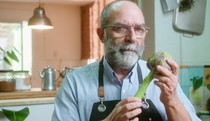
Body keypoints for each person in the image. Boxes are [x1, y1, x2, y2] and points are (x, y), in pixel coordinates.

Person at [52, 0, 201, 121]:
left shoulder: (162, 79)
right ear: (101, 34)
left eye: (139, 29)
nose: (132, 38)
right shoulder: (74, 83)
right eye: (120, 28)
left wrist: (172, 100)